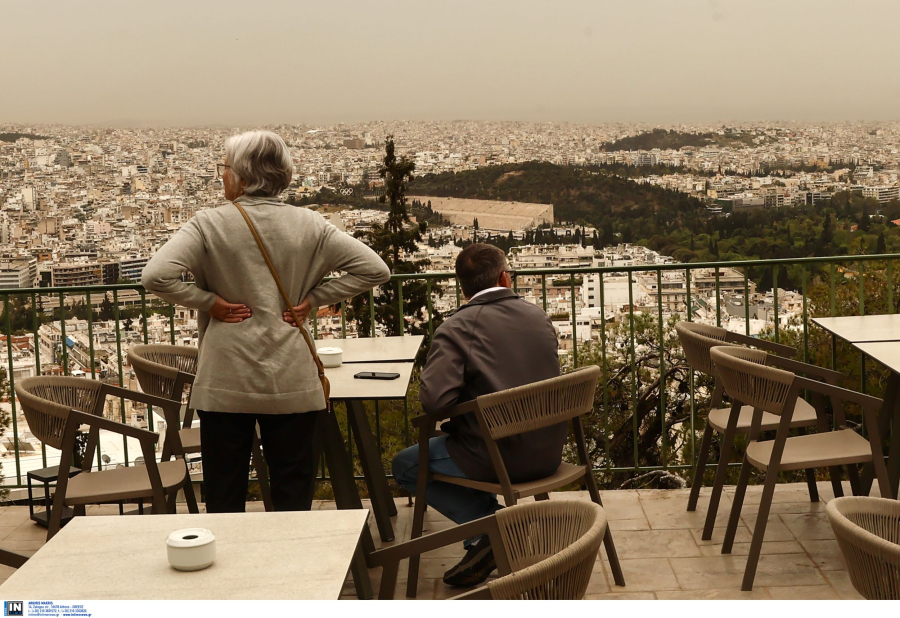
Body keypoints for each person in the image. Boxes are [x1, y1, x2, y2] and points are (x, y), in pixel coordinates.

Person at [142, 130, 390, 513]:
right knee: (294, 492)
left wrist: (210, 303)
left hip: (226, 377)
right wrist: (313, 300)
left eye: (225, 168)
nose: (222, 175)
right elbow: (375, 270)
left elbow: (155, 276)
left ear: (242, 176)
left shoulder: (208, 224)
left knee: (225, 494)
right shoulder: (310, 224)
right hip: (291, 375)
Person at [392, 243, 563, 588]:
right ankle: (490, 534)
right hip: (550, 450)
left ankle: (491, 528)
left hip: (496, 457)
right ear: (504, 278)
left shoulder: (457, 328)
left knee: (406, 466)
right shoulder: (538, 316)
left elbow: (435, 402)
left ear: (463, 286)